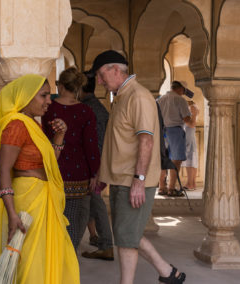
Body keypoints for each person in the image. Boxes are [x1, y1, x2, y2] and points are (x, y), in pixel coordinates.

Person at [91, 50, 186, 284]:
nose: (100, 81)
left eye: (101, 75)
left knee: (125, 237)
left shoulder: (138, 96)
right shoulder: (122, 96)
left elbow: (146, 140)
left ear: (115, 70)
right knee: (128, 233)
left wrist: (139, 180)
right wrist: (104, 175)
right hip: (122, 178)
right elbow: (119, 142)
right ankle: (168, 273)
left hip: (133, 180)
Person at [0, 74, 79, 283]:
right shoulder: (16, 125)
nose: (49, 100)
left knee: (46, 258)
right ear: (26, 97)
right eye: (43, 95)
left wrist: (59, 137)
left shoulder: (32, 124)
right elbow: (3, 170)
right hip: (28, 202)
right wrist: (12, 213)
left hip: (42, 198)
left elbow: (47, 165)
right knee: (32, 264)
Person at [42, 67, 100, 250]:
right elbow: (91, 145)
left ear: (60, 86)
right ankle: (68, 256)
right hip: (78, 173)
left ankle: (54, 259)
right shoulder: (86, 111)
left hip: (52, 170)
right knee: (74, 220)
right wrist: (94, 173)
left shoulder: (47, 108)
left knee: (52, 219)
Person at [79, 71, 114, 261]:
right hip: (96, 165)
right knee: (91, 202)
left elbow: (97, 144)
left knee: (95, 202)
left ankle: (107, 245)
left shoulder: (88, 109)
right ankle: (97, 239)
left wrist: (96, 172)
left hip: (94, 168)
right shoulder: (96, 107)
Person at [157, 81, 193, 197]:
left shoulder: (160, 99)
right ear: (181, 89)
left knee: (163, 160)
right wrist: (194, 117)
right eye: (183, 91)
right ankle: (171, 189)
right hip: (175, 131)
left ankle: (162, 187)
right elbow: (187, 120)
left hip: (161, 131)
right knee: (176, 161)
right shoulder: (180, 100)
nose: (183, 94)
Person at [182, 101, 199, 190]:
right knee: (192, 159)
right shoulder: (192, 111)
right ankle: (192, 183)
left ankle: (190, 183)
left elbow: (192, 124)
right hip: (189, 136)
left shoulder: (191, 111)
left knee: (190, 160)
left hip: (189, 137)